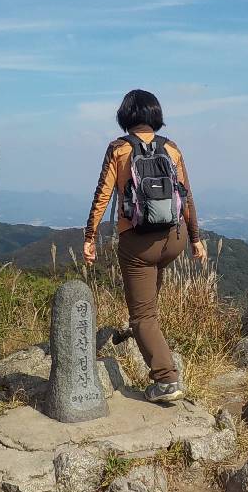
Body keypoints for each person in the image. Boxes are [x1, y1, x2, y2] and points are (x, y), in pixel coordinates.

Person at [83, 89, 206, 403]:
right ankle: (160, 350)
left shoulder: (119, 149)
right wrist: (196, 239)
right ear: (155, 115)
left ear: (125, 116)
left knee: (141, 317)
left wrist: (89, 238)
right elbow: (187, 197)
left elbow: (102, 196)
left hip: (138, 244)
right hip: (174, 239)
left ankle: (166, 380)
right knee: (150, 307)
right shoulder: (172, 149)